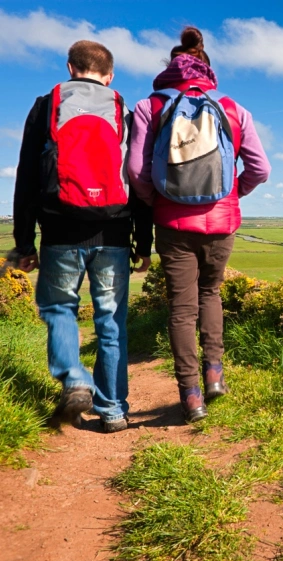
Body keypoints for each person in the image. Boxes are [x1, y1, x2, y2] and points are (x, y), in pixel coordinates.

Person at [128, 27, 270, 423]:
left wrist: (159, 201)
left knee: (181, 309)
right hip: (222, 223)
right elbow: (260, 168)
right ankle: (215, 375)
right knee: (211, 294)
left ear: (171, 69)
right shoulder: (232, 108)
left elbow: (137, 172)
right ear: (207, 70)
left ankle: (190, 396)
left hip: (172, 224)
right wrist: (232, 194)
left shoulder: (150, 107)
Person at [12, 40, 153, 433]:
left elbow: (26, 177)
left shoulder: (47, 106)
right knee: (112, 321)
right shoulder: (124, 109)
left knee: (59, 309)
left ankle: (74, 377)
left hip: (59, 230)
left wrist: (24, 242)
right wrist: (144, 243)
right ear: (109, 76)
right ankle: (112, 411)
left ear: (71, 68)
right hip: (113, 231)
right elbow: (139, 180)